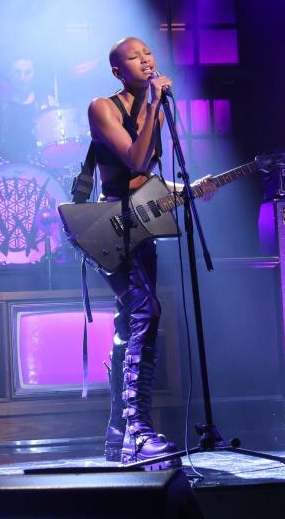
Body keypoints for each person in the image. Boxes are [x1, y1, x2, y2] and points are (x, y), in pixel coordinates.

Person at [88, 37, 216, 466]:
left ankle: (119, 432)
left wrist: (188, 189)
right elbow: (137, 161)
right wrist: (155, 100)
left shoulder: (153, 109)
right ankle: (138, 430)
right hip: (110, 227)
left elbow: (148, 184)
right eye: (135, 57)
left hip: (143, 224)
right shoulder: (103, 107)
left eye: (149, 54)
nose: (146, 60)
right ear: (117, 71)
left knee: (132, 318)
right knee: (145, 310)